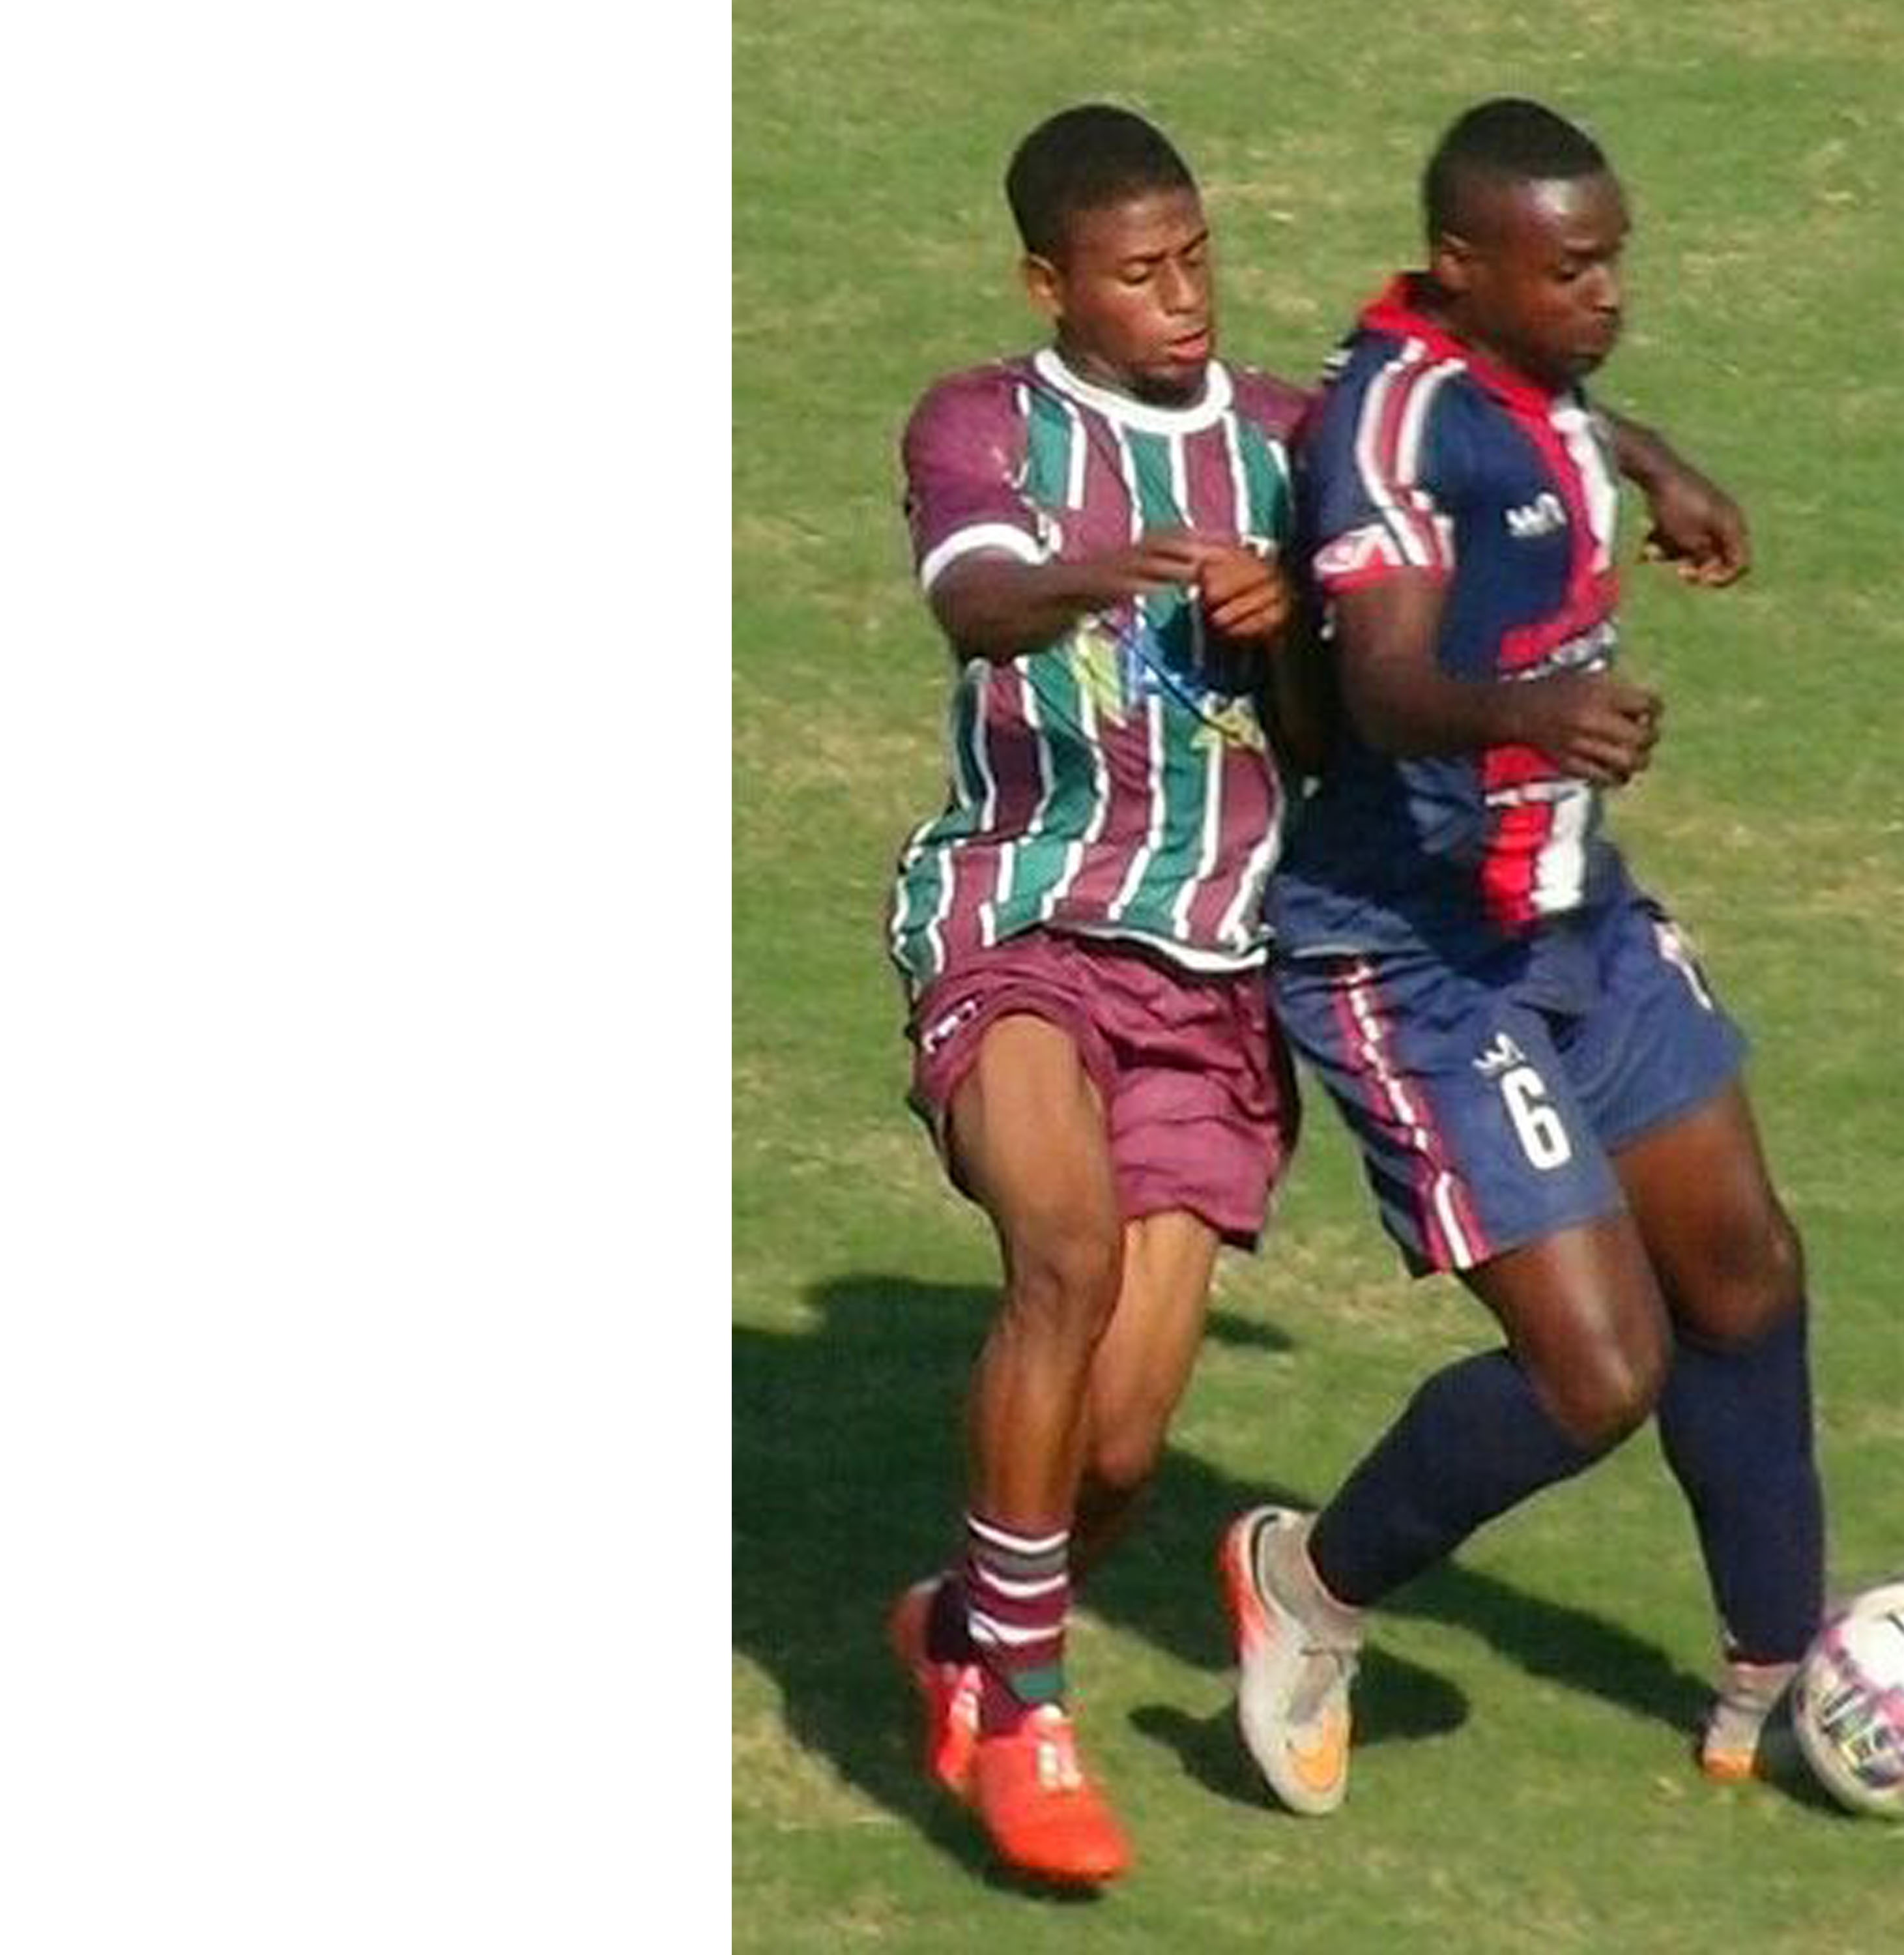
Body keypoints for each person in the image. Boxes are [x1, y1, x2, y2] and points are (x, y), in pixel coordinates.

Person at [1217, 98, 1830, 1817]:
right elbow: (1392, 678)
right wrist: (1530, 711)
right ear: (1465, 266)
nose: (1607, 295)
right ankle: (1305, 1587)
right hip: (1410, 955)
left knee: (1741, 1267)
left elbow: (1540, 408)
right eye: (1571, 270)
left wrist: (1646, 458)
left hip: (1575, 913)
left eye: (1614, 260)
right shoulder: (1382, 426)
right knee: (1597, 1370)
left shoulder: (1507, 363)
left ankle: (1778, 1670)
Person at [876, 103, 1320, 1887]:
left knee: (1119, 1450)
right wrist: (1091, 576)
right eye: (1137, 275)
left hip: (1222, 973)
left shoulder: (1293, 443)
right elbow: (976, 605)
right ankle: (1029, 1728)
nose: (1180, 300)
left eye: (1195, 259)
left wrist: (1288, 637)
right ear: (1047, 281)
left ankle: (964, 1634)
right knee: (1056, 1257)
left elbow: (1335, 744)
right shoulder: (983, 425)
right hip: (1024, 924)